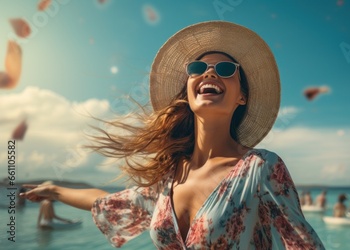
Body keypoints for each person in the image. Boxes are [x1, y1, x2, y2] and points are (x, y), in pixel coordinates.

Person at [21, 21, 325, 249]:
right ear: (189, 90)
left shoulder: (260, 168)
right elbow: (108, 202)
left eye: (224, 68)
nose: (209, 73)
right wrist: (55, 190)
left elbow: (303, 244)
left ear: (241, 96)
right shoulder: (170, 177)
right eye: (198, 67)